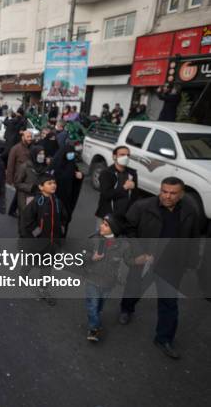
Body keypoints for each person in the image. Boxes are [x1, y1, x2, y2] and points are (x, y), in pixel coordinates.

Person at [118, 177, 200, 359]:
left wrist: (191, 262)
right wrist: (138, 252)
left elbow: (194, 239)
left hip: (172, 266)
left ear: (182, 194)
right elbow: (128, 229)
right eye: (164, 191)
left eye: (173, 193)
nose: (167, 196)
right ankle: (126, 309)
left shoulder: (189, 212)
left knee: (169, 303)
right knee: (134, 288)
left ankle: (164, 339)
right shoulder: (142, 207)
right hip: (145, 261)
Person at [19, 173, 69, 305]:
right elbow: (27, 220)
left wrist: (61, 231)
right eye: (49, 183)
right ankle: (23, 275)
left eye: (54, 182)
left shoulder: (57, 202)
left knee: (47, 267)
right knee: (30, 261)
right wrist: (37, 234)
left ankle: (43, 289)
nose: (53, 185)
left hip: (52, 244)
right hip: (37, 243)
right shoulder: (36, 202)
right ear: (41, 187)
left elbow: (64, 217)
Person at [84, 214, 131, 342]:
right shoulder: (94, 238)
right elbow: (82, 256)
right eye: (102, 223)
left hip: (108, 282)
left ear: (114, 229)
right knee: (92, 306)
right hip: (92, 278)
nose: (101, 226)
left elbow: (128, 261)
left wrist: (141, 259)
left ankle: (95, 322)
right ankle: (94, 328)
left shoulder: (123, 245)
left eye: (105, 224)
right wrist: (91, 258)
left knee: (99, 306)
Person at [94, 146, 138, 225]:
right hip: (107, 216)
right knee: (103, 237)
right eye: (122, 154)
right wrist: (124, 187)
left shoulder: (132, 173)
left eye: (128, 155)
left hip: (124, 217)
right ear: (114, 157)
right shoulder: (106, 173)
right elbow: (106, 194)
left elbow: (134, 196)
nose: (126, 157)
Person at [49, 144, 84, 233]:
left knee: (65, 218)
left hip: (68, 197)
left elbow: (76, 174)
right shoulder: (56, 164)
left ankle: (62, 236)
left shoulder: (72, 164)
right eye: (69, 153)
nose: (71, 154)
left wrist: (80, 176)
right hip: (56, 197)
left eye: (72, 153)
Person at [14, 146, 48, 233]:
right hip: (26, 197)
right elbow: (17, 183)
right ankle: (22, 238)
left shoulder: (45, 167)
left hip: (39, 198)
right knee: (25, 219)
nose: (42, 156)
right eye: (40, 154)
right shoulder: (25, 166)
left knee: (36, 220)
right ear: (34, 154)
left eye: (43, 154)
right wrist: (30, 187)